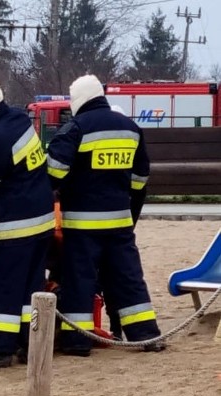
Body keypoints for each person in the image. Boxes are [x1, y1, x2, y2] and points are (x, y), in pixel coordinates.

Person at [46, 74, 163, 355]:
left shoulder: (75, 128)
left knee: (80, 280)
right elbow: (139, 180)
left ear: (78, 100)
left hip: (82, 223)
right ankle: (145, 334)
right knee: (128, 277)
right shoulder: (130, 128)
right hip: (120, 222)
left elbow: (54, 173)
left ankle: (78, 341)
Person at [0, 80, 56, 368]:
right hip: (41, 222)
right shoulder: (17, 119)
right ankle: (29, 343)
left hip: (16, 226)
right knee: (31, 287)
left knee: (2, 286)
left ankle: (0, 350)